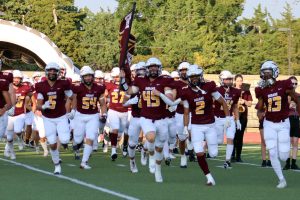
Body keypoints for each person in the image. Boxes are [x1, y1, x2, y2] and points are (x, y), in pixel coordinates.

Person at [156, 65, 230, 186]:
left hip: (210, 125)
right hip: (196, 126)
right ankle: (209, 177)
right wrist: (185, 127)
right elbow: (184, 111)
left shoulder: (209, 86)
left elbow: (222, 101)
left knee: (213, 154)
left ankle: (210, 154)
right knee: (199, 152)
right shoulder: (186, 91)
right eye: (192, 77)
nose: (194, 79)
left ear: (201, 76)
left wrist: (227, 117)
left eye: (196, 77)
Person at [120, 57, 174, 183]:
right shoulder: (140, 81)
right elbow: (128, 91)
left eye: (155, 67)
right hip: (142, 117)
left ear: (159, 69)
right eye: (151, 67)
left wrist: (160, 94)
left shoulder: (165, 81)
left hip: (160, 119)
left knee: (159, 147)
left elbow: (170, 100)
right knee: (146, 139)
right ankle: (138, 159)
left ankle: (158, 168)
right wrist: (127, 100)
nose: (153, 69)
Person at [255, 60, 300, 188]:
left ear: (275, 73)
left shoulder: (284, 84)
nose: (266, 76)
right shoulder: (261, 89)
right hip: (269, 123)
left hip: (283, 123)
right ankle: (281, 179)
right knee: (272, 152)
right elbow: (260, 105)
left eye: (269, 73)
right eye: (264, 73)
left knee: (284, 154)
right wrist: (260, 109)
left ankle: (284, 156)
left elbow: (295, 97)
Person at [35, 62, 73, 175]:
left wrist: (74, 110)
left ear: (58, 73)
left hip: (61, 116)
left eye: (54, 71)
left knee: (65, 139)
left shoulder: (64, 83)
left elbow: (73, 97)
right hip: (48, 118)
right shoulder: (41, 86)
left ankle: (64, 140)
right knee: (52, 143)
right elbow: (38, 105)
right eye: (50, 70)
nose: (52, 72)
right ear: (46, 72)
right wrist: (43, 106)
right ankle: (57, 165)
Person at [71, 66, 107, 169]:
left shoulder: (99, 88)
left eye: (89, 76)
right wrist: (73, 110)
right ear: (82, 77)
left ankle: (84, 162)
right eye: (85, 76)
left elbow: (102, 103)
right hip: (80, 115)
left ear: (93, 76)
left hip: (93, 116)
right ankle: (77, 144)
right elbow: (73, 99)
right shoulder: (77, 88)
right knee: (78, 139)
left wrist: (104, 114)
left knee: (91, 137)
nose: (88, 78)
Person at [214, 70, 241, 169]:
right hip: (218, 118)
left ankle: (227, 160)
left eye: (230, 79)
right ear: (221, 80)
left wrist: (237, 119)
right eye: (227, 79)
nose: (229, 81)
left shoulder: (236, 91)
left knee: (230, 138)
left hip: (229, 118)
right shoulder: (216, 90)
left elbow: (234, 106)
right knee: (219, 141)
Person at [105, 67, 129, 161]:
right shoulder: (109, 85)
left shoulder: (126, 85)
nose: (116, 78)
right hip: (113, 110)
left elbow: (130, 91)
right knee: (115, 129)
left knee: (119, 133)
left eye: (118, 77)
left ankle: (109, 135)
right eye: (115, 77)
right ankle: (113, 151)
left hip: (124, 111)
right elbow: (104, 94)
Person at [232, 74, 253, 162]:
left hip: (243, 116)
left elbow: (250, 104)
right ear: (235, 81)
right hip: (233, 115)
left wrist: (244, 101)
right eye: (238, 81)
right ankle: (232, 155)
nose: (239, 82)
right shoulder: (232, 90)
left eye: (241, 80)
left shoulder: (246, 91)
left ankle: (238, 156)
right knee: (233, 135)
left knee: (240, 136)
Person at [283, 76, 300, 170]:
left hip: (296, 118)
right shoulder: (285, 95)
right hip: (288, 119)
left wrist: (297, 106)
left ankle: (293, 163)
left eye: (295, 83)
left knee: (295, 142)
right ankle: (287, 162)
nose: (293, 85)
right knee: (288, 142)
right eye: (292, 83)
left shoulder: (298, 95)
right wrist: (289, 105)